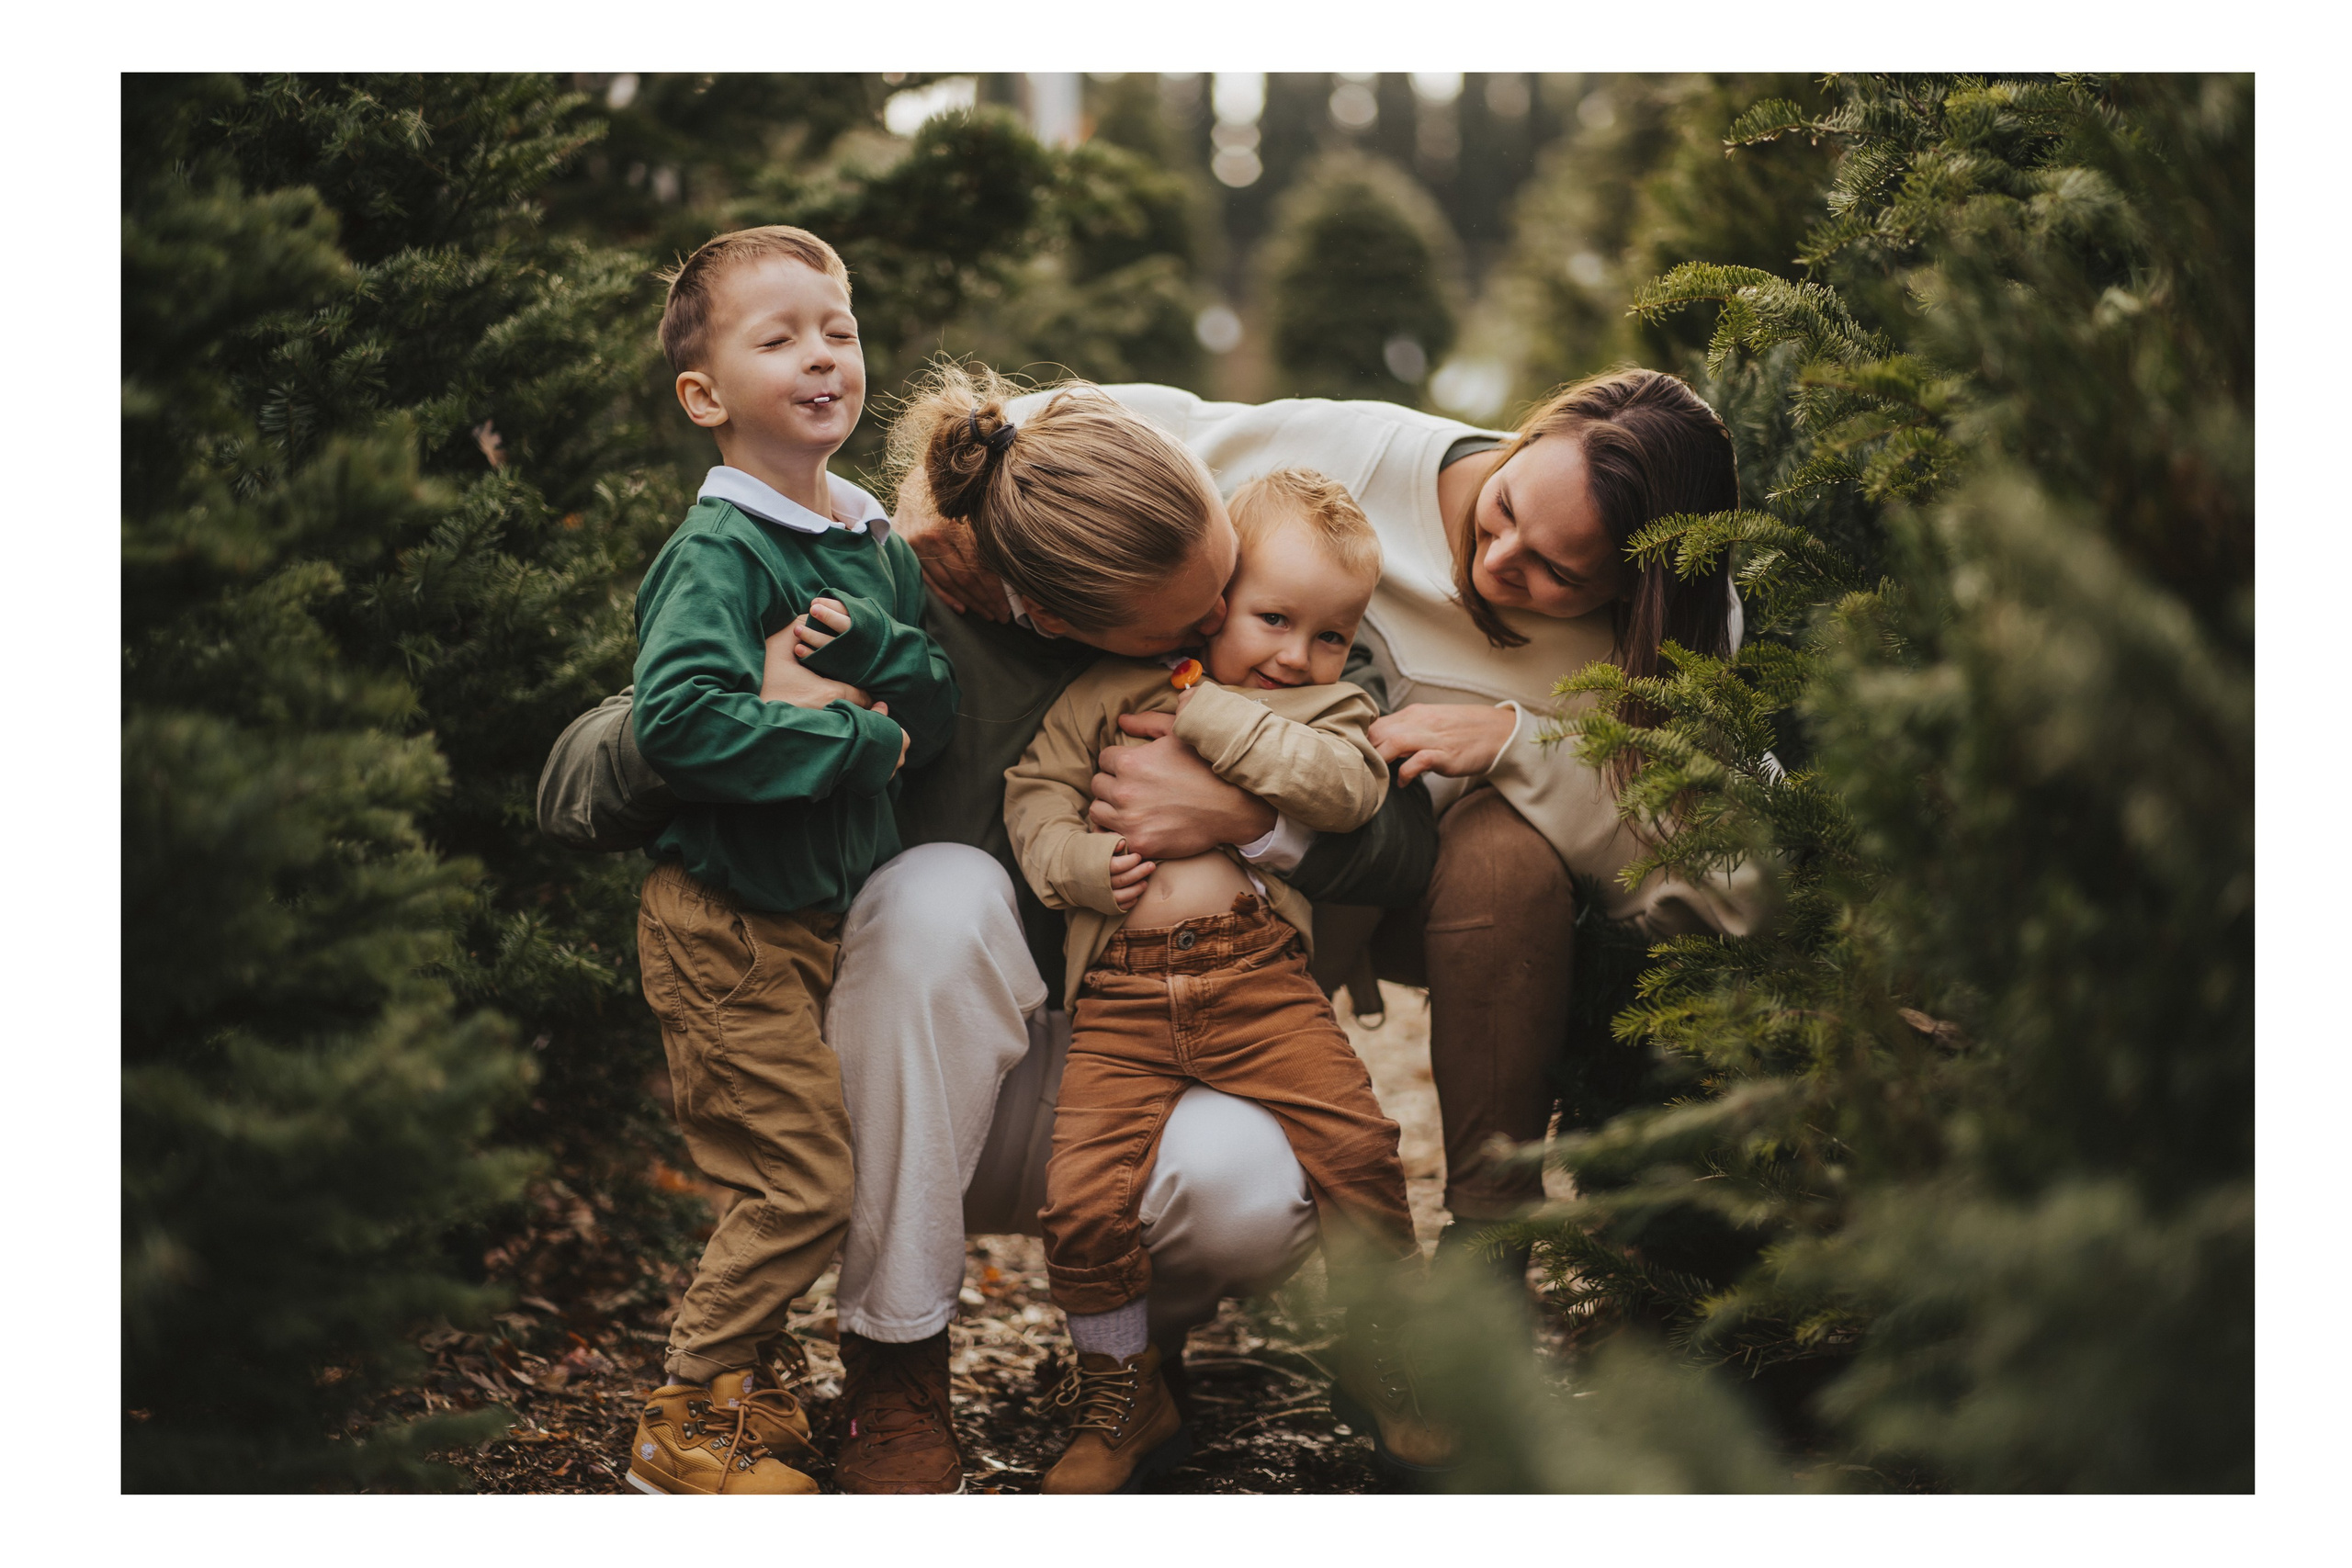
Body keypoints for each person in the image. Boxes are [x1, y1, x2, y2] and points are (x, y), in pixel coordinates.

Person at [897, 368, 1769, 1271]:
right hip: (1165, 873)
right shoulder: (1350, 456)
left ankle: (1483, 1248)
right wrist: (958, 522)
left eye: (1558, 571)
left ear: (1637, 589)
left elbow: (1723, 849)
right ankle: (1177, 1294)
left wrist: (1520, 740)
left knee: (1501, 854)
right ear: (1526, 437)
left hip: (1408, 903)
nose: (1499, 559)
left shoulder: (1667, 640)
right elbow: (1075, 431)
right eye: (1503, 506)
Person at [999, 468, 1430, 1492]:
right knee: (1083, 1197)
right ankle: (1121, 1390)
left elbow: (1345, 790)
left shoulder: (1328, 709)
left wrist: (1211, 715)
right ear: (1218, 593)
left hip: (1256, 980)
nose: (1297, 654)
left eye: (1331, 632)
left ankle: (1389, 1355)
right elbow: (1035, 796)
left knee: (1359, 1151)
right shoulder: (1110, 688)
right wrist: (1077, 869)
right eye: (1274, 618)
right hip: (1119, 998)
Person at [619, 225, 957, 1495]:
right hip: (724, 922)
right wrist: (851, 742)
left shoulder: (867, 540)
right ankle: (680, 1420)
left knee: (783, 1167)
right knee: (806, 1181)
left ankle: (747, 1387)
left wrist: (876, 652)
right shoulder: (720, 552)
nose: (822, 356)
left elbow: (933, 705)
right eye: (780, 338)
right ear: (706, 396)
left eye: (839, 329)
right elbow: (682, 723)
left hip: (819, 922)